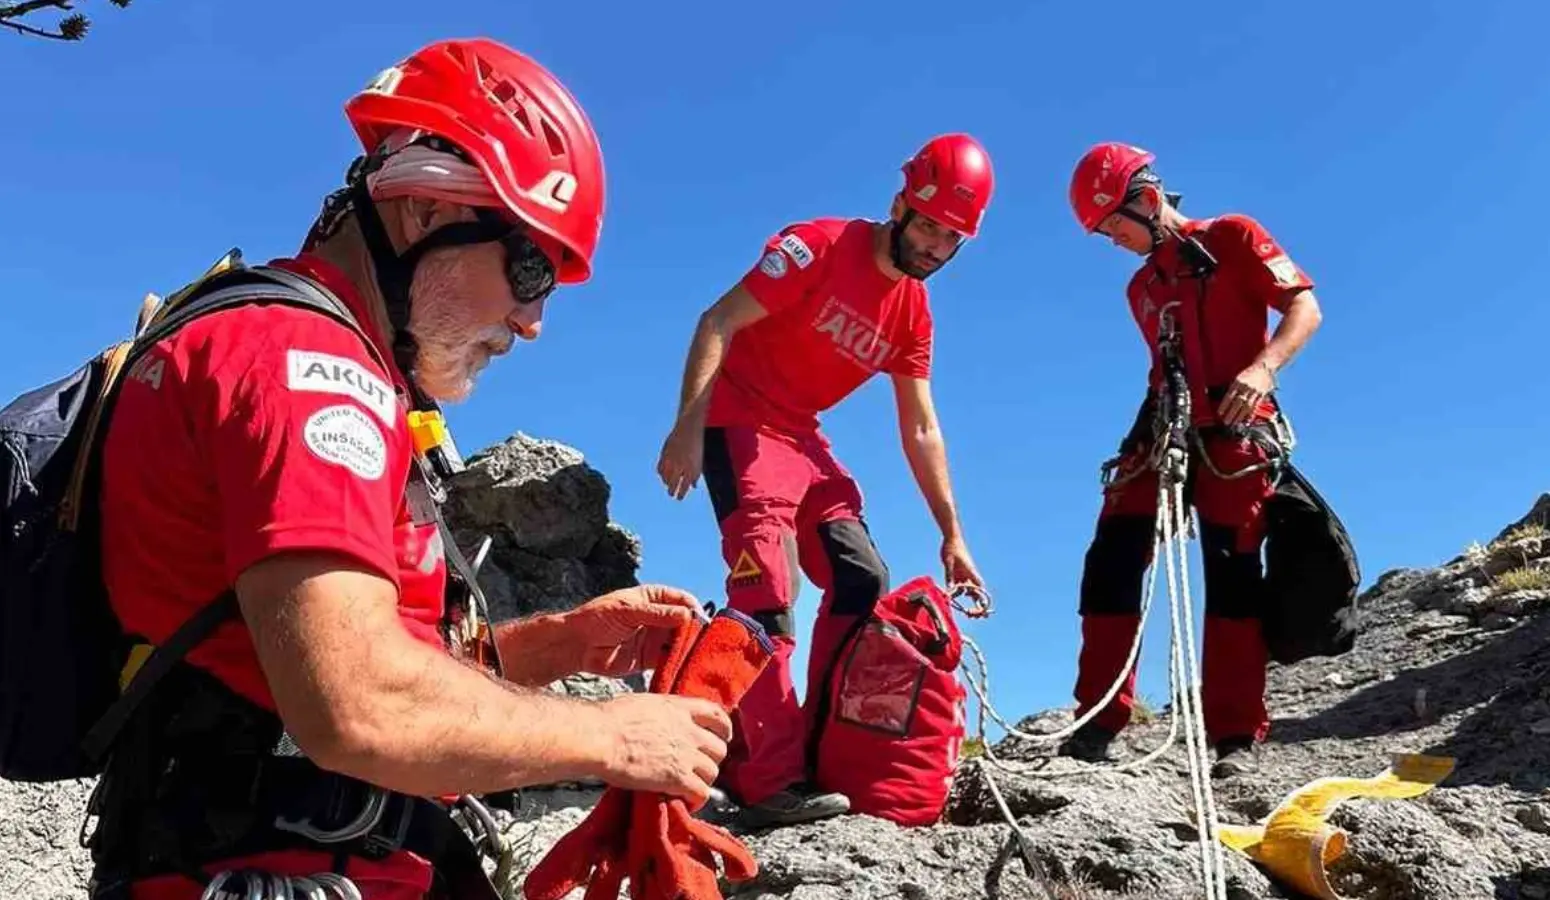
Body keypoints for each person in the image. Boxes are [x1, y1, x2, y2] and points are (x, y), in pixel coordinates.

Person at [86, 37, 734, 900]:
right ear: (426, 210)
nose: (533, 321)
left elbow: (327, 657)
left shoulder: (311, 359)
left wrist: (551, 645)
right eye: (531, 268)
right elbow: (356, 701)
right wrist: (613, 737)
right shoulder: (309, 369)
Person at [654, 134, 994, 827]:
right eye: (927, 224)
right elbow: (717, 319)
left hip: (803, 438)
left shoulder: (914, 314)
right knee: (767, 593)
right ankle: (764, 778)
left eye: (951, 237)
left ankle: (817, 748)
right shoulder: (817, 247)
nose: (933, 245)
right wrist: (688, 425)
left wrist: (953, 534)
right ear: (900, 205)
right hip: (739, 422)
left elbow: (921, 426)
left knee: (862, 578)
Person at [1059, 142, 1324, 778]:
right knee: (1112, 558)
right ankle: (1098, 719)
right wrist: (1147, 440)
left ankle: (1234, 735)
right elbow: (1163, 369)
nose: (1112, 241)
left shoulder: (1233, 237)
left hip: (1236, 426)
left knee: (1233, 571)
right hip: (1165, 422)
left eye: (1112, 226)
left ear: (1147, 202)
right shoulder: (1140, 288)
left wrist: (1263, 369)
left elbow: (1303, 306)